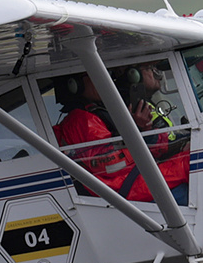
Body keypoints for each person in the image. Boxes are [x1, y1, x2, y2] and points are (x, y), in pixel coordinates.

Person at [53, 69, 189, 204]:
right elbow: (111, 164)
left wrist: (179, 144)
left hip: (133, 176)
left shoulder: (100, 111)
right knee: (190, 165)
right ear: (74, 84)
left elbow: (143, 146)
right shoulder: (81, 120)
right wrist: (135, 132)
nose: (106, 77)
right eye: (93, 74)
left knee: (192, 157)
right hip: (121, 187)